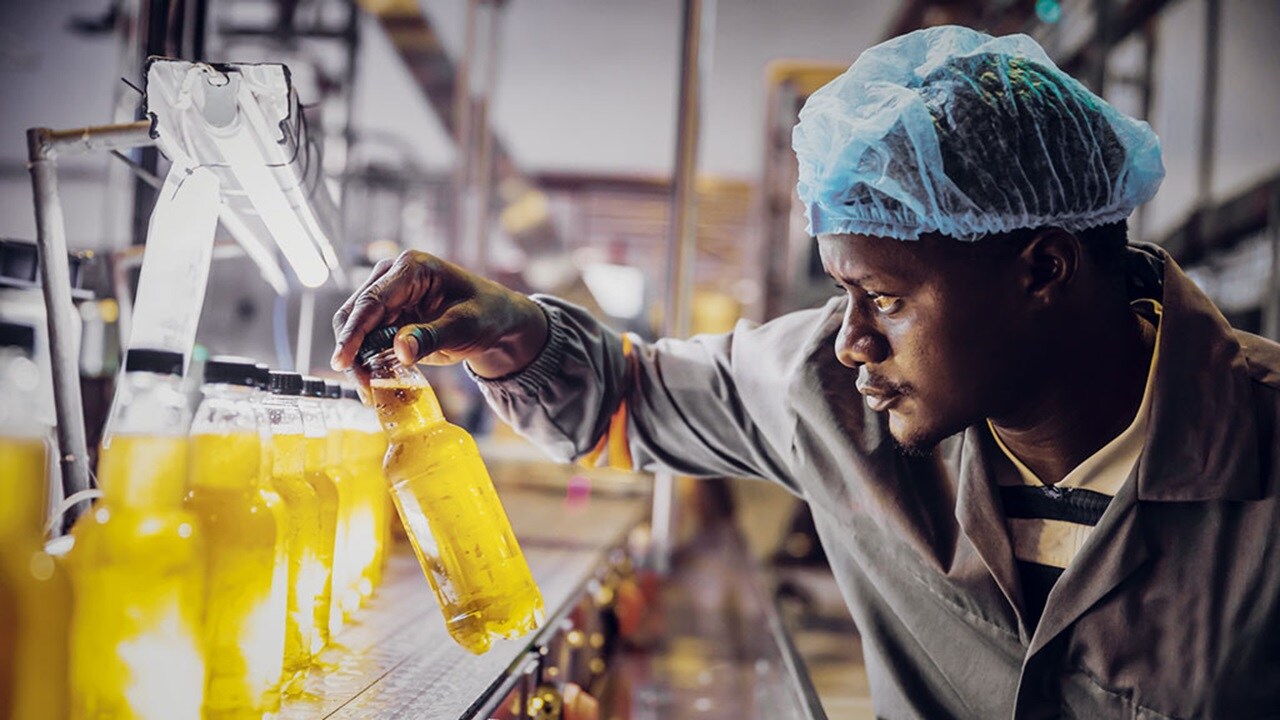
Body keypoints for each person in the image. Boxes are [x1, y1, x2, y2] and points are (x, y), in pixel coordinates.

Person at [331, 25, 1280, 720]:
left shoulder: (1263, 466)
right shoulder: (831, 395)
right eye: (844, 295)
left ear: (1042, 268)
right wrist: (511, 328)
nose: (851, 342)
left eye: (888, 299)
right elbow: (627, 393)